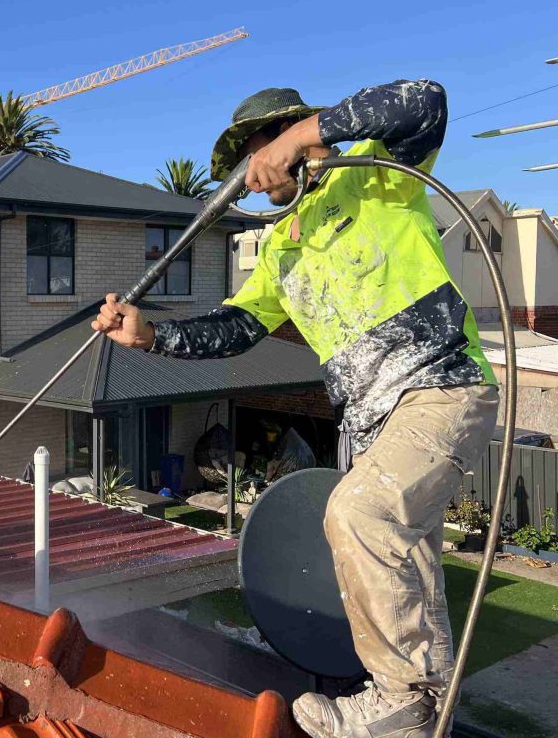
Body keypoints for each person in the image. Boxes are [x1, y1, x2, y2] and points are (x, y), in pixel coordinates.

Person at [93, 80, 498, 738]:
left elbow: (426, 99)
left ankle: (396, 697)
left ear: (287, 136)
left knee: (360, 514)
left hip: (438, 386)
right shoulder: (283, 248)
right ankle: (427, 717)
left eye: (257, 150)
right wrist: (150, 335)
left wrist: (302, 135)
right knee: (410, 579)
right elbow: (238, 327)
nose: (252, 173)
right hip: (371, 427)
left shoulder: (376, 170)